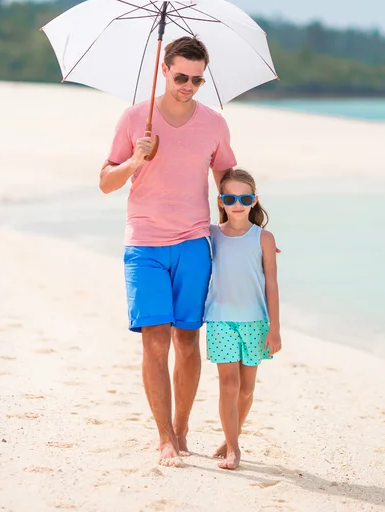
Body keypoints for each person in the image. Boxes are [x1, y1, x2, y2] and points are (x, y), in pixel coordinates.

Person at [99, 36, 236, 467]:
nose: (188, 86)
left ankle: (181, 428)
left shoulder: (214, 124)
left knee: (188, 341)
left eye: (197, 79)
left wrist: (248, 234)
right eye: (181, 77)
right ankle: (163, 438)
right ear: (164, 69)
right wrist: (134, 162)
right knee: (155, 342)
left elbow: (228, 180)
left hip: (194, 242)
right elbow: (105, 181)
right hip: (144, 245)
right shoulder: (135, 118)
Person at [204, 168, 281, 470]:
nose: (237, 203)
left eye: (244, 198)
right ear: (221, 201)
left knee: (247, 389)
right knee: (228, 384)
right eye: (230, 197)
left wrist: (274, 328)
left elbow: (271, 284)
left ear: (254, 201)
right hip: (221, 319)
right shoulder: (210, 234)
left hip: (255, 322)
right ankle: (233, 448)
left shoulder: (263, 238)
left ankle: (230, 436)